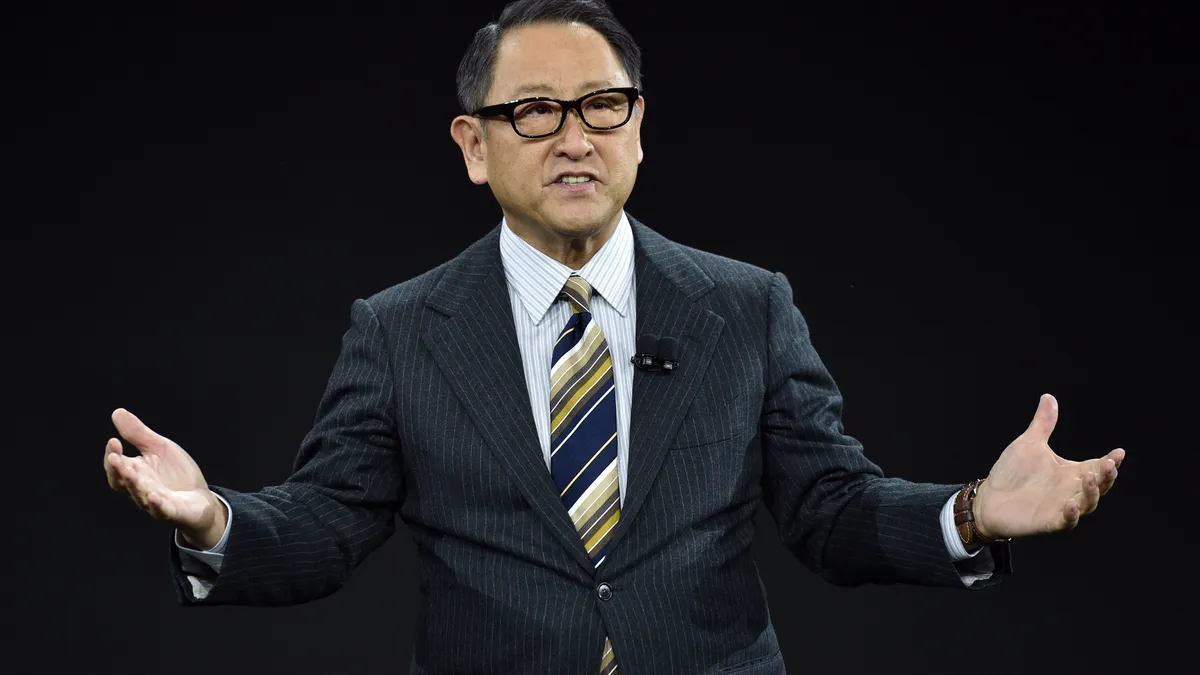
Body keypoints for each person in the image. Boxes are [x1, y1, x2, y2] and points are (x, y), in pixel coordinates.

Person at [102, 1, 1125, 673]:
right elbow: (326, 526)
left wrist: (972, 515)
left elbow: (831, 510)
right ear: (474, 144)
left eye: (602, 105)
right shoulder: (402, 329)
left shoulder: (748, 306)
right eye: (536, 112)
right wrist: (212, 521)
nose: (576, 135)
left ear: (639, 127)